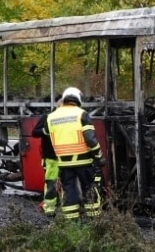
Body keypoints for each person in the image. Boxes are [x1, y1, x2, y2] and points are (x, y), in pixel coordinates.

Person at [42, 87, 105, 220]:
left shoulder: (51, 117)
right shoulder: (81, 114)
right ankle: (94, 222)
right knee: (89, 189)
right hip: (83, 161)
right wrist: (99, 155)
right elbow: (90, 139)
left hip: (63, 163)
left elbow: (47, 133)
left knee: (68, 191)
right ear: (78, 99)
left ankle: (72, 224)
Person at [31, 96, 62, 216]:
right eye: (61, 102)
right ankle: (49, 210)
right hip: (51, 158)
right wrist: (46, 131)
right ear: (56, 103)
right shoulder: (47, 117)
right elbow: (35, 132)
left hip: (64, 156)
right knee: (51, 183)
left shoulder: (66, 118)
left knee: (66, 183)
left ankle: (64, 209)